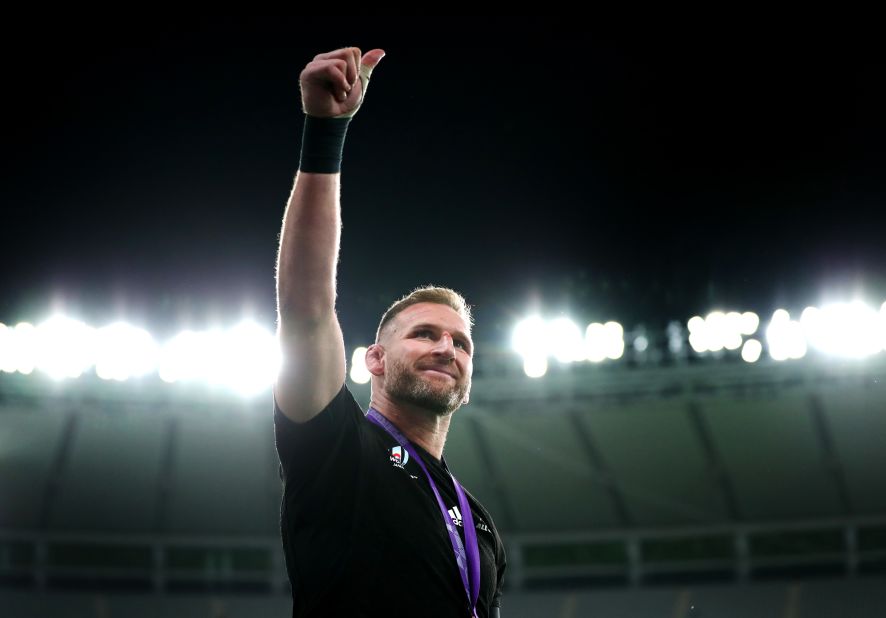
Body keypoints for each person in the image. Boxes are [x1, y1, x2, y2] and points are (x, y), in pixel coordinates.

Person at [273, 47, 506, 617]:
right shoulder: (337, 451)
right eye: (424, 334)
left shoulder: (476, 520)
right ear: (374, 359)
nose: (446, 348)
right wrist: (325, 132)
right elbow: (306, 310)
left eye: (461, 343)